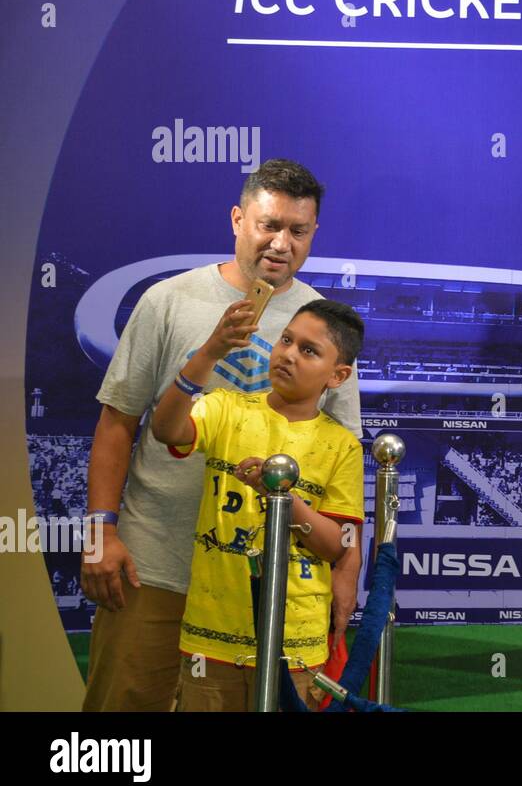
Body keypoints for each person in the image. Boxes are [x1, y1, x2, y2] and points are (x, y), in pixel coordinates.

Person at [79, 159, 362, 711]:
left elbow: (342, 463)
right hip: (154, 564)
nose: (281, 243)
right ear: (237, 219)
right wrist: (99, 533)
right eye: (268, 225)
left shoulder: (323, 325)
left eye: (297, 231)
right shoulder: (169, 300)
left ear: (313, 235)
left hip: (257, 583)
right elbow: (118, 422)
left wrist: (345, 573)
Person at [152, 298, 364, 710]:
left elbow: (337, 543)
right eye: (287, 340)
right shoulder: (225, 408)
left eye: (308, 350)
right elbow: (165, 429)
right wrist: (211, 350)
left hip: (297, 641)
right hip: (211, 633)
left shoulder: (342, 446)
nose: (287, 354)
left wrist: (280, 496)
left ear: (337, 375)